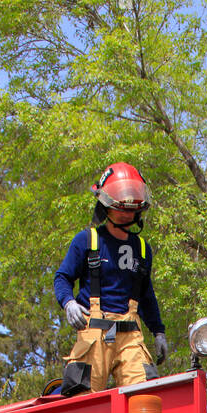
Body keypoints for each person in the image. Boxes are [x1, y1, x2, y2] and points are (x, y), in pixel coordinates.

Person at [54, 163, 168, 393]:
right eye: (122, 208)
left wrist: (158, 332)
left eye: (131, 209)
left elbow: (147, 296)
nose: (127, 214)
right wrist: (69, 303)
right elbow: (62, 278)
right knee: (82, 398)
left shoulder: (143, 249)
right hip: (94, 332)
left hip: (130, 336)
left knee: (145, 398)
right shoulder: (88, 240)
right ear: (106, 207)